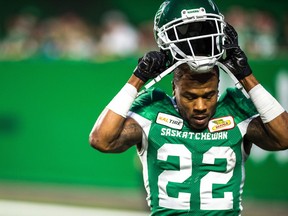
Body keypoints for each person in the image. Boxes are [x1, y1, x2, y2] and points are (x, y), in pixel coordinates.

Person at [89, 0, 288, 215]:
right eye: (190, 97)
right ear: (174, 88)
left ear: (219, 87)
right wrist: (136, 80)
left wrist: (246, 75)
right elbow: (101, 140)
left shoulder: (235, 110)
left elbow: (284, 137)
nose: (200, 106)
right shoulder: (153, 109)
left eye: (209, 95)